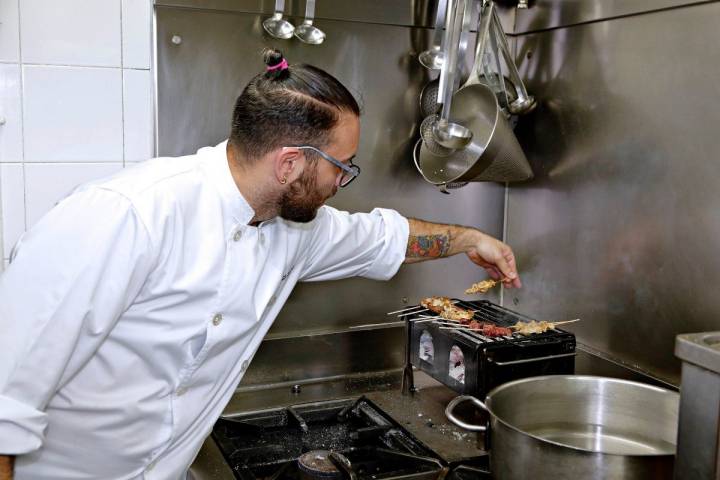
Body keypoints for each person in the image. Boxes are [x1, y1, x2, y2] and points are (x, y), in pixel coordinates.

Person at [0, 49, 521, 480]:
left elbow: (384, 235)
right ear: (291, 163)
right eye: (342, 168)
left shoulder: (290, 226)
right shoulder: (124, 217)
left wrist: (468, 238)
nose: (343, 183)